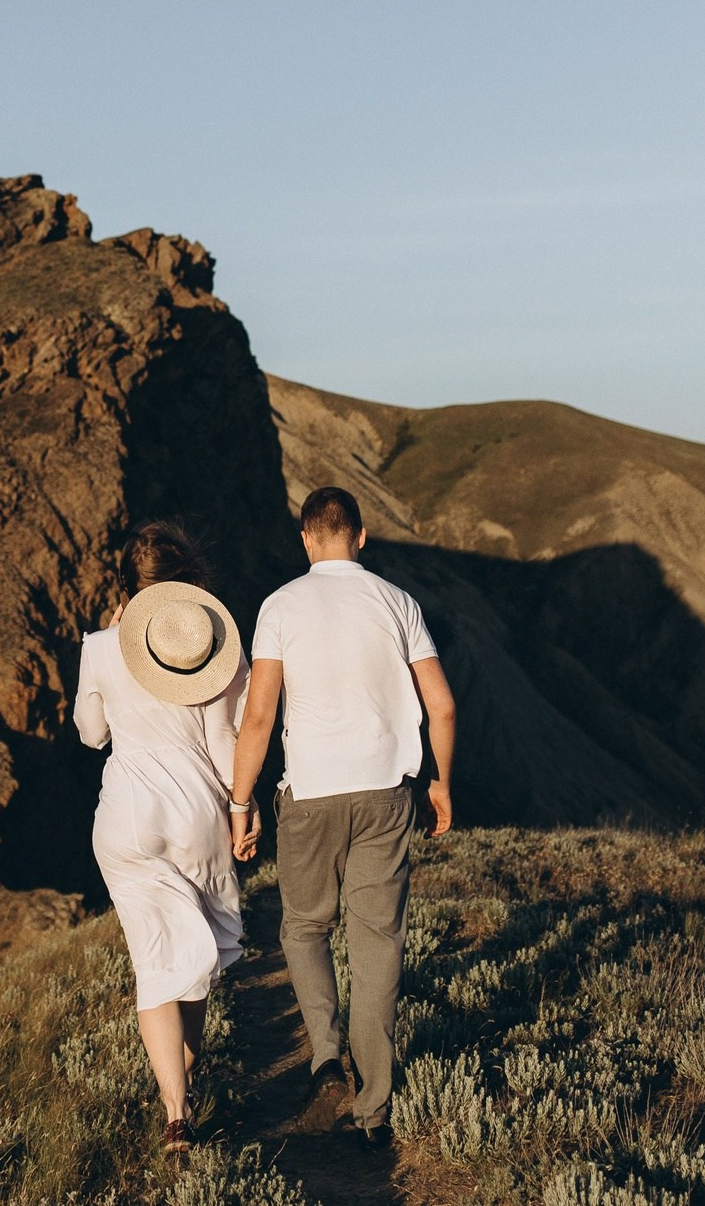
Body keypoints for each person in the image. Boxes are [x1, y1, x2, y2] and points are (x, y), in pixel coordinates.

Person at [228, 486, 457, 1146]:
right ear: (361, 537)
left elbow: (260, 715)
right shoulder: (398, 602)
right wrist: (440, 782)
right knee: (376, 942)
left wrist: (241, 802)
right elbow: (440, 706)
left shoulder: (279, 606)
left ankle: (326, 1055)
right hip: (388, 789)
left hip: (313, 793)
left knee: (303, 928)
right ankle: (374, 1110)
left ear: (306, 539)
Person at [75, 521, 251, 1154]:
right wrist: (243, 806)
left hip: (125, 817)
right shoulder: (215, 648)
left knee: (153, 967)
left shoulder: (100, 646)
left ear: (127, 586)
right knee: (197, 963)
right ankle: (187, 1081)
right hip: (196, 816)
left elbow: (91, 734)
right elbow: (226, 739)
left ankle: (175, 1113)